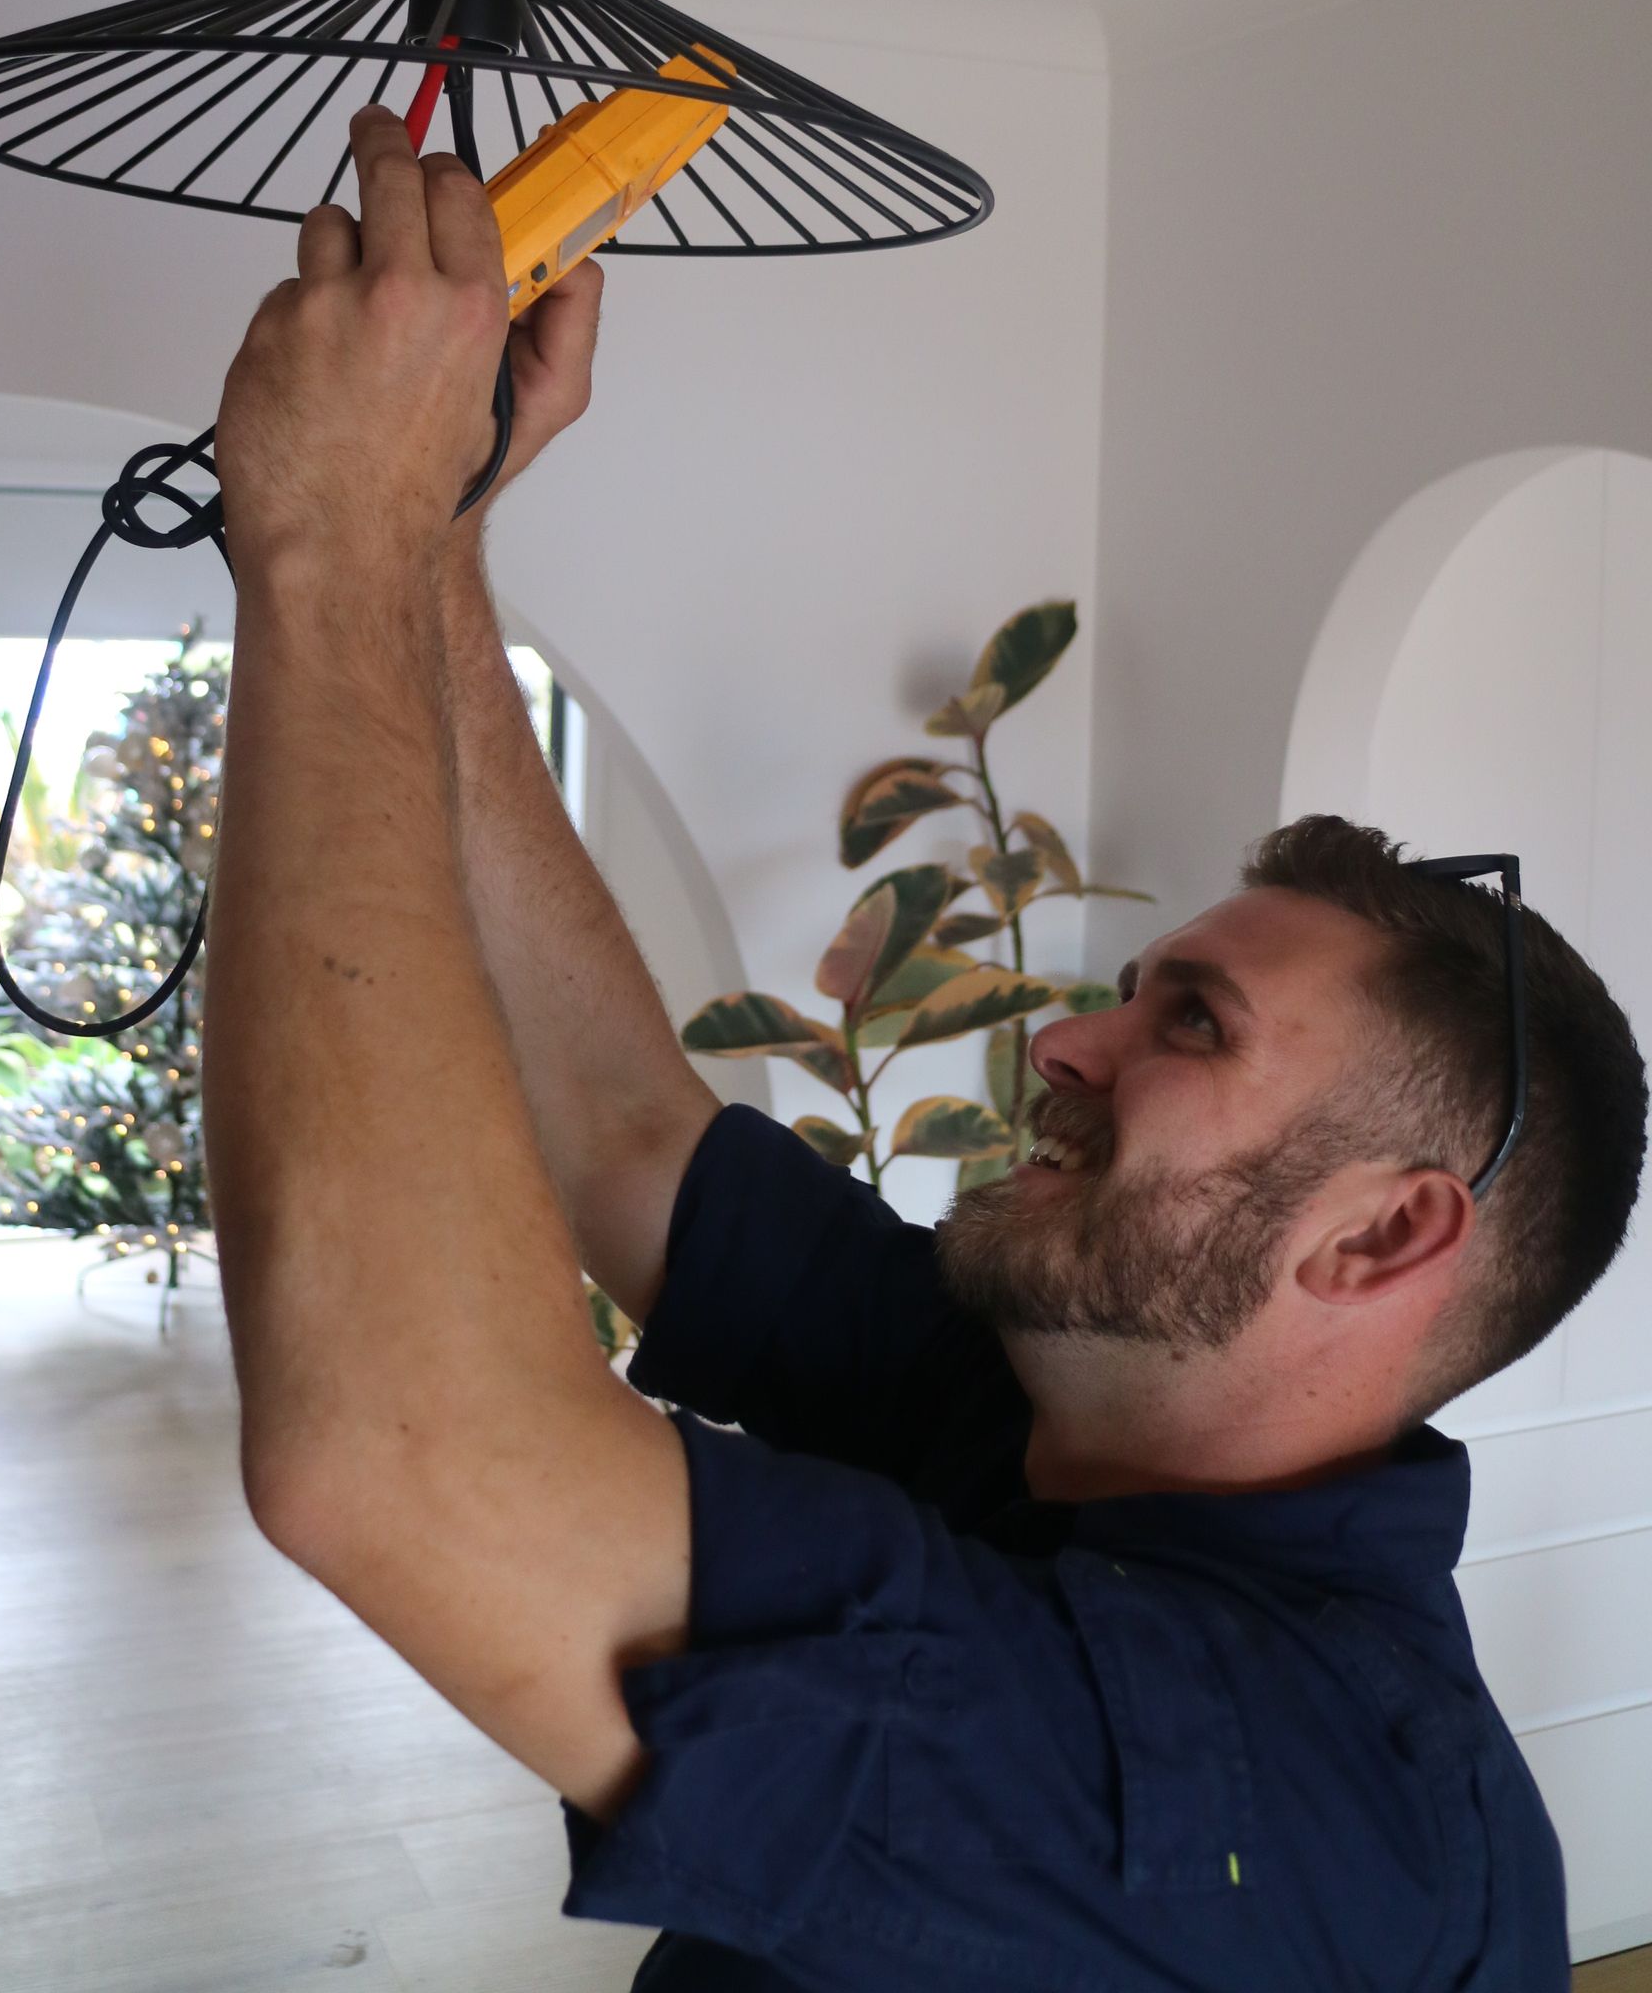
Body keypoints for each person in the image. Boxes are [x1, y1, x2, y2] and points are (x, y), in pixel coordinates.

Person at [201, 105, 1648, 1991]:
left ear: (1377, 1238)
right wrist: (438, 540)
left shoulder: (1276, 1792)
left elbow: (399, 1455)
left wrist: (330, 543)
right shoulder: (1053, 1408)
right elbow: (635, 1139)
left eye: (1187, 1026)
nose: (1066, 1039)